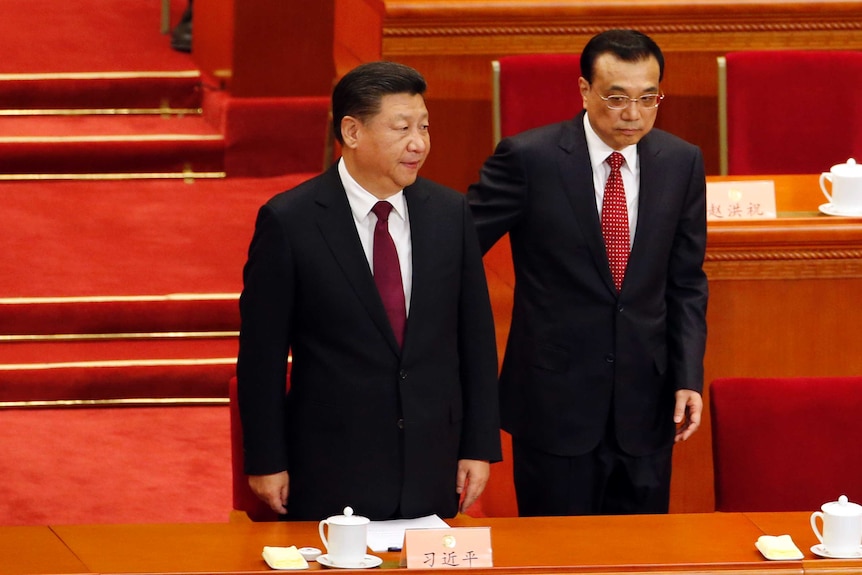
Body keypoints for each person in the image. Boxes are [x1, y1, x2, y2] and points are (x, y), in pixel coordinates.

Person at [236, 61, 502, 521]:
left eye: (424, 126)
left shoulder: (449, 212)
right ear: (352, 132)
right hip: (331, 460)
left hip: (431, 459)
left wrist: (479, 446)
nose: (418, 143)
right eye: (401, 128)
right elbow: (262, 355)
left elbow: (475, 339)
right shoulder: (291, 221)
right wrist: (266, 460)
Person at [467, 29, 708, 516]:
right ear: (584, 90)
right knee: (556, 558)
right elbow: (456, 246)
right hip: (556, 403)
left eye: (647, 98)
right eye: (616, 98)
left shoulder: (681, 161)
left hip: (647, 405)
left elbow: (686, 281)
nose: (633, 114)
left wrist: (687, 376)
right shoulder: (529, 159)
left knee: (639, 560)